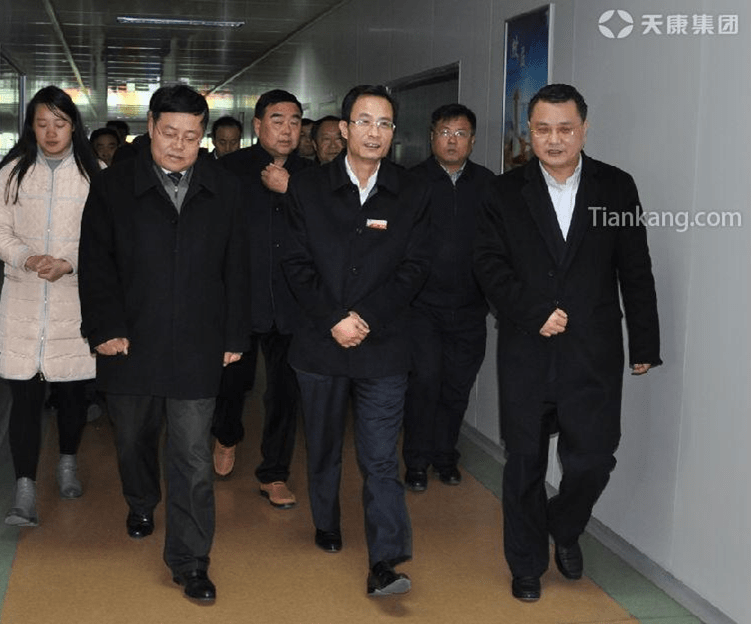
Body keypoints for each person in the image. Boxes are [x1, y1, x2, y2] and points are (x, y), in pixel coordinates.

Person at [473, 83, 661, 602]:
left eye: (565, 128)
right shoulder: (503, 192)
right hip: (527, 351)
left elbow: (635, 267)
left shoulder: (616, 186)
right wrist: (532, 311)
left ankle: (564, 525)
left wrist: (645, 342)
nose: (554, 139)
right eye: (542, 129)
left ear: (584, 129)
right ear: (528, 132)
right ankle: (527, 563)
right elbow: (488, 264)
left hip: (592, 352)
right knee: (525, 462)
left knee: (594, 458)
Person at [78, 84, 249, 603]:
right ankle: (141, 499)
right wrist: (104, 327)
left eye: (191, 136)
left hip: (198, 340)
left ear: (204, 136)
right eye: (170, 133)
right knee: (132, 437)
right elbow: (96, 262)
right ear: (150, 126)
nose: (179, 145)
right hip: (130, 338)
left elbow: (238, 265)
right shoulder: (113, 186)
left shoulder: (224, 188)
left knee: (193, 455)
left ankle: (191, 561)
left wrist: (234, 333)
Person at [283, 85, 431, 596]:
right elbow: (295, 263)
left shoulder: (411, 191)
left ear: (394, 133)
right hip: (319, 343)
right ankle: (326, 521)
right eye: (364, 121)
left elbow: (415, 268)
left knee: (381, 458)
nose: (375, 132)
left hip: (383, 344)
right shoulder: (308, 188)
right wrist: (334, 319)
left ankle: (386, 561)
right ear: (344, 129)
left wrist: (364, 317)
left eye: (385, 123)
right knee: (323, 446)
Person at [0, 85, 100, 527]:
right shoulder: (12, 173)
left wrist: (69, 263)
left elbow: (107, 239)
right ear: (31, 127)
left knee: (72, 393)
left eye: (60, 123)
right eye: (42, 123)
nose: (51, 132)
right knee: (24, 396)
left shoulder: (95, 175)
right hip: (24, 299)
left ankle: (67, 461)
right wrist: (26, 257)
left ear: (74, 126)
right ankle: (24, 489)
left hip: (75, 301)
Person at [212, 90, 312, 509]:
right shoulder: (228, 171)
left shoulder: (313, 177)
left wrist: (292, 191)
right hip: (240, 300)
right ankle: (226, 434)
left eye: (294, 121)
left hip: (293, 304)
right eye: (277, 120)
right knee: (232, 384)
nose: (287, 130)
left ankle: (274, 473)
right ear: (257, 125)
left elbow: (328, 230)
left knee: (285, 393)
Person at [402, 104, 494, 492]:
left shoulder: (488, 185)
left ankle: (445, 456)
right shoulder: (410, 182)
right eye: (444, 132)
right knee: (424, 383)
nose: (452, 140)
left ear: (472, 140)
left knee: (457, 387)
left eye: (460, 134)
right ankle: (416, 461)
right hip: (422, 308)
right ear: (431, 137)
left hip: (471, 309)